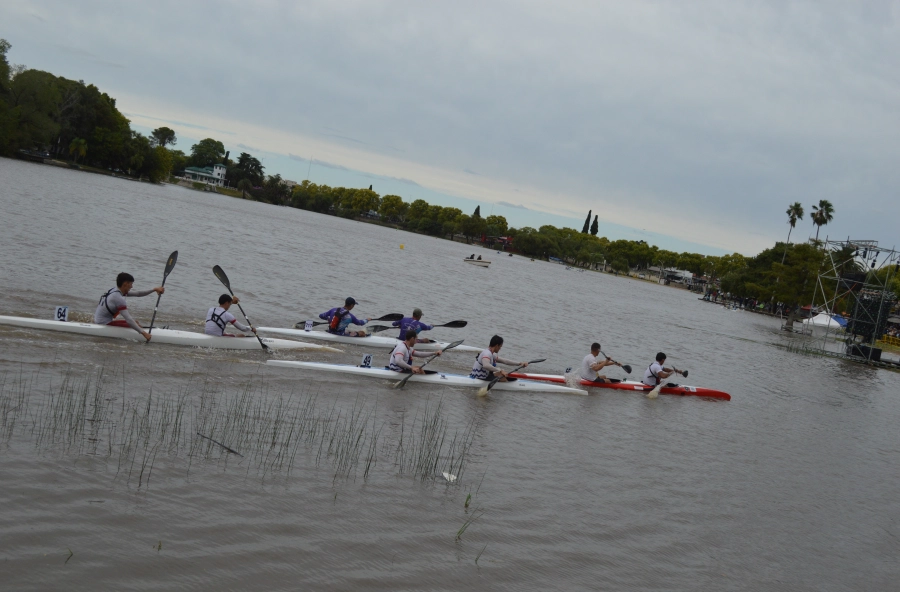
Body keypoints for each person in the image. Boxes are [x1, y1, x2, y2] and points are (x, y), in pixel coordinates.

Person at [94, 272, 164, 342]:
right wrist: (144, 334)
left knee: (135, 323)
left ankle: (142, 329)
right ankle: (146, 332)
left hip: (99, 320)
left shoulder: (115, 290)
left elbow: (138, 294)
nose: (132, 286)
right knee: (133, 323)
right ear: (125, 284)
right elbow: (128, 319)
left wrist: (154, 290)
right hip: (103, 324)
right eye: (131, 284)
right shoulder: (118, 298)